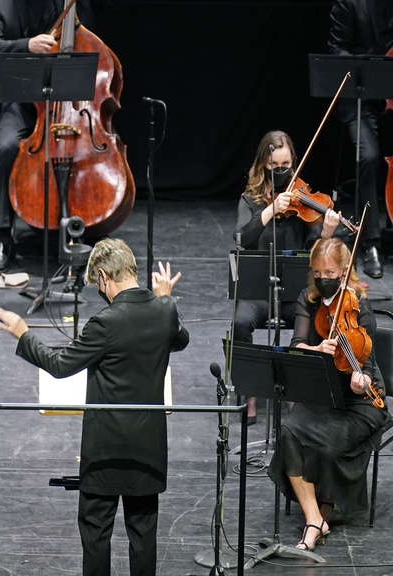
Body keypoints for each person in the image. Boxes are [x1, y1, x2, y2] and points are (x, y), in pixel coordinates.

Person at [0, 238, 189, 576]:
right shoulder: (165, 310)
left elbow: (59, 365)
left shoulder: (105, 323)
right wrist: (165, 297)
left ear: (103, 276)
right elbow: (180, 338)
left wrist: (24, 334)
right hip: (149, 451)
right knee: (143, 537)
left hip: (106, 452)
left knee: (96, 534)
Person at [268, 237, 391, 550]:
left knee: (326, 447)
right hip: (323, 393)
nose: (324, 279)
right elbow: (296, 344)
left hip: (360, 398)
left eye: (330, 273)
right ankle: (315, 518)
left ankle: (321, 513)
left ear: (343, 271)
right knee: (288, 432)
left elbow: (364, 358)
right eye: (318, 273)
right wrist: (316, 349)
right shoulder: (307, 300)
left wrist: (358, 378)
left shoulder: (358, 304)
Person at [234, 130, 340, 423]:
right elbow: (242, 238)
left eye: (286, 165)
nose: (281, 172)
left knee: (314, 321)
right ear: (264, 165)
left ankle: (298, 392)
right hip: (258, 293)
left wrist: (327, 232)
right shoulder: (250, 199)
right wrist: (269, 210)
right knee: (241, 322)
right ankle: (250, 392)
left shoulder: (301, 200)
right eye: (275, 166)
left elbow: (315, 252)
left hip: (293, 292)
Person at [0, 0, 94, 274]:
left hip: (64, 102)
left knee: (77, 149)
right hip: (18, 102)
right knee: (7, 147)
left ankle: (71, 227)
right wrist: (26, 45)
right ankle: (5, 237)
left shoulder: (70, 2)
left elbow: (88, 44)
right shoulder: (2, 5)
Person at [328, 0, 393, 278]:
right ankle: (372, 244)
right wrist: (367, 67)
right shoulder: (348, 3)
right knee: (368, 156)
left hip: (390, 98)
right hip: (362, 98)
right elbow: (336, 48)